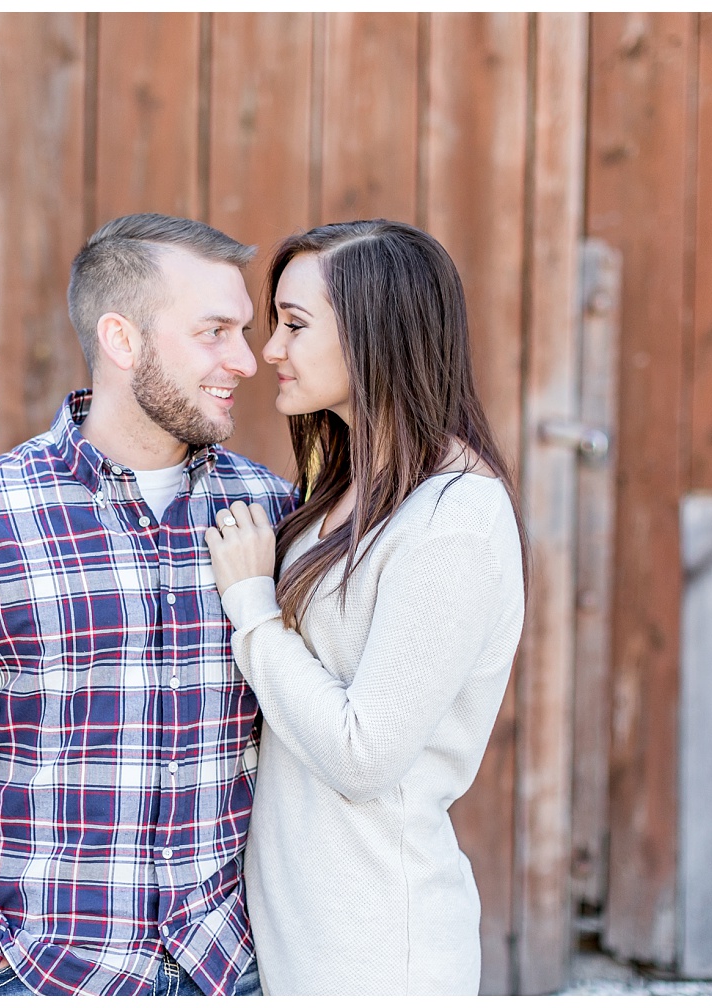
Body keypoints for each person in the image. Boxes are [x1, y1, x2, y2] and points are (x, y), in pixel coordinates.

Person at [0, 213, 296, 996]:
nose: (244, 359)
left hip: (232, 971)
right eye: (214, 332)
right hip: (49, 975)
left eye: (245, 331)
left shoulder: (273, 510)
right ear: (123, 341)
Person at [204, 220, 527, 995]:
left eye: (294, 325)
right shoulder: (347, 494)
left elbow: (363, 754)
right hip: (294, 937)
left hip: (377, 948)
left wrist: (253, 607)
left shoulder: (455, 521)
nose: (271, 350)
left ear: (376, 333)